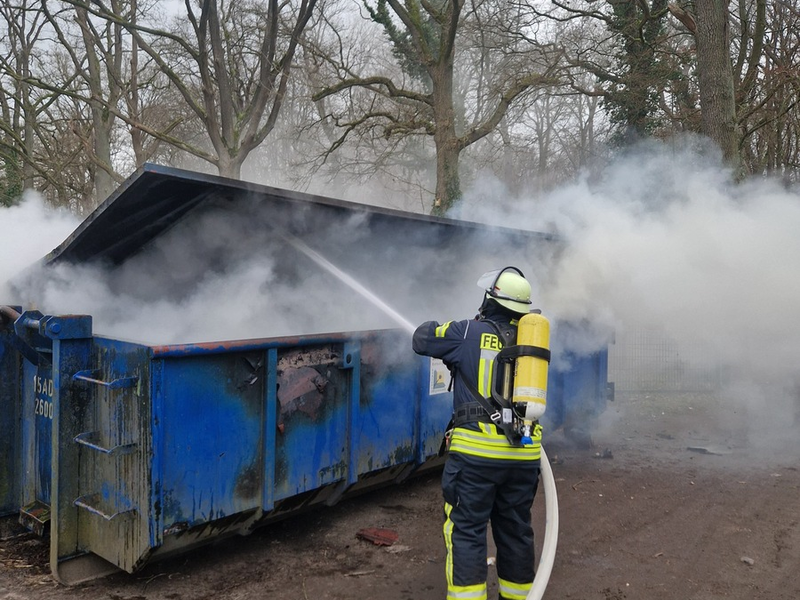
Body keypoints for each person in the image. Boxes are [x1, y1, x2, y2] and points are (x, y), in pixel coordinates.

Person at [412, 267, 543, 600]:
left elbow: (421, 337)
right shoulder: (532, 343)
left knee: (467, 533)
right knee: (516, 532)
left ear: (491, 299)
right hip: (524, 455)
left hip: (476, 458)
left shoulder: (466, 331)